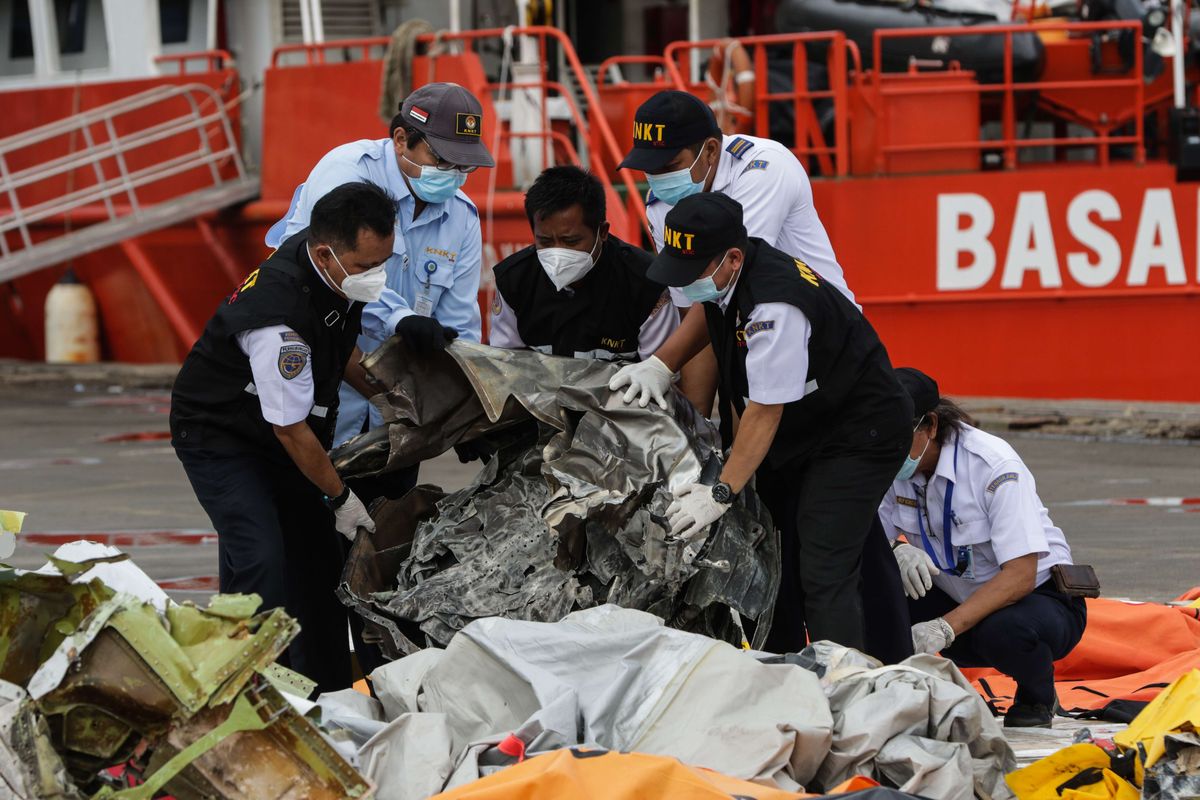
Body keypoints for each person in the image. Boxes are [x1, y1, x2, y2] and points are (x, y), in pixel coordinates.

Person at [609, 192, 912, 658]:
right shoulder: (728, 273)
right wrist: (659, 365)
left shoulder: (775, 307)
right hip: (806, 428)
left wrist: (721, 493)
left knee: (823, 564)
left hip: (857, 433)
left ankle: (847, 691)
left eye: (690, 273)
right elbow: (709, 313)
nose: (683, 285)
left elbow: (765, 412)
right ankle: (781, 668)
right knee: (774, 556)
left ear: (731, 257)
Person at [171, 182, 399, 693]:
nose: (377, 278)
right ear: (325, 252)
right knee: (260, 557)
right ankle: (242, 692)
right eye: (367, 268)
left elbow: (340, 351)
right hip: (220, 433)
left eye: (383, 262)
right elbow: (290, 429)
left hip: (276, 428)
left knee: (319, 564)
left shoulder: (333, 273)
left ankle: (325, 694)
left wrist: (398, 402)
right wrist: (339, 497)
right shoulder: (280, 327)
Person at [266, 81, 494, 499]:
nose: (454, 176)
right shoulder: (347, 173)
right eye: (442, 160)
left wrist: (466, 409)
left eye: (464, 166)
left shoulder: (461, 215)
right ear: (402, 139)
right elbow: (341, 273)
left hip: (398, 415)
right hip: (320, 390)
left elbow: (460, 322)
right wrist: (401, 318)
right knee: (301, 534)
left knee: (385, 533)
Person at [617, 89, 857, 418]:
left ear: (711, 151)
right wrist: (695, 426)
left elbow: (735, 281)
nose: (658, 179)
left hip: (824, 342)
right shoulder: (662, 207)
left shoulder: (763, 170)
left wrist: (661, 363)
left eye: (669, 166)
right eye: (649, 169)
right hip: (751, 347)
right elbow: (697, 315)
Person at [882, 367, 1089, 728]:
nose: (886, 446)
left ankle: (1038, 696)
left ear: (930, 425)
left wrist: (944, 628)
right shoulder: (886, 466)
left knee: (1004, 632)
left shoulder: (993, 465)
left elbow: (1021, 575)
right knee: (872, 592)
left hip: (1038, 599)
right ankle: (914, 693)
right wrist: (896, 552)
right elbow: (862, 539)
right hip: (956, 593)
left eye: (897, 434)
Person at [489, 165, 677, 361]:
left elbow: (660, 370)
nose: (558, 253)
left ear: (602, 232)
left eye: (571, 241)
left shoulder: (644, 283)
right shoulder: (513, 281)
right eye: (545, 241)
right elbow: (504, 367)